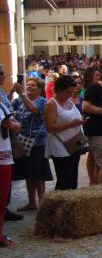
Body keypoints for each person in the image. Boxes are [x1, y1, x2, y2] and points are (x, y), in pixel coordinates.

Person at [10, 78, 52, 211]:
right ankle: (32, 202)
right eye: (28, 85)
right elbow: (6, 106)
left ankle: (43, 204)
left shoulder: (43, 102)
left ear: (40, 89)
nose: (29, 87)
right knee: (28, 173)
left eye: (33, 86)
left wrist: (22, 93)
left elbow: (33, 109)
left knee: (39, 174)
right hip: (23, 141)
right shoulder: (19, 101)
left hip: (38, 142)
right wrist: (11, 91)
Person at [44, 75, 85, 190]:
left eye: (71, 93)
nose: (69, 95)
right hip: (60, 145)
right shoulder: (51, 104)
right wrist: (72, 124)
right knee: (65, 180)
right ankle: (58, 206)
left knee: (73, 178)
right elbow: (49, 127)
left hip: (74, 142)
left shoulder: (69, 101)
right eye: (67, 92)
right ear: (59, 89)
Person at [0, 98, 21, 247]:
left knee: (1, 201)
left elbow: (18, 127)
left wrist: (10, 124)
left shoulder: (2, 106)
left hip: (4, 159)